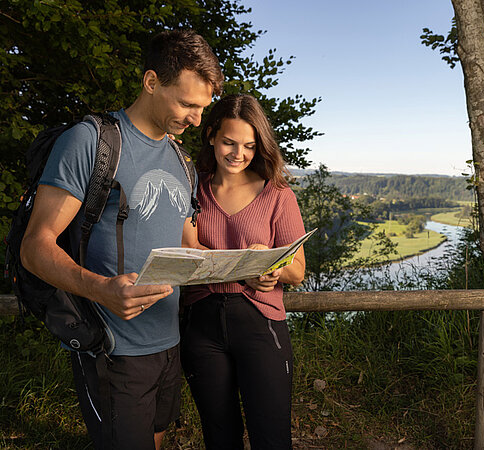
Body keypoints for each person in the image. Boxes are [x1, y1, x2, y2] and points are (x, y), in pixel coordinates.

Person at [20, 30, 223, 449]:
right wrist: (100, 289)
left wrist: (252, 264)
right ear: (151, 82)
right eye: (187, 104)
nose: (196, 120)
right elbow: (35, 246)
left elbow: (192, 249)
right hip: (113, 347)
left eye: (202, 108)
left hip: (170, 342)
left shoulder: (180, 160)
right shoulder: (91, 141)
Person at [181, 94, 306, 449]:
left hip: (260, 325)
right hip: (201, 324)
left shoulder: (277, 194)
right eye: (229, 142)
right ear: (210, 136)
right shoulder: (191, 188)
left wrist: (271, 268)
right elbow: (187, 253)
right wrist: (242, 269)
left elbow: (297, 271)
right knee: (220, 438)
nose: (239, 154)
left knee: (271, 438)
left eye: (249, 146)